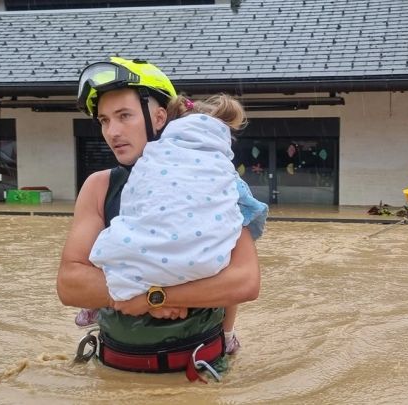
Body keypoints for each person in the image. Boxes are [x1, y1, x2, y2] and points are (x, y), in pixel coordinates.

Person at [57, 57, 260, 378]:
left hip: (200, 372)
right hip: (114, 371)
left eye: (124, 116)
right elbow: (70, 284)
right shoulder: (99, 187)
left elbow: (245, 281)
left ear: (159, 117)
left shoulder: (216, 181)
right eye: (104, 120)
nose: (113, 131)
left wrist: (154, 296)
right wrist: (153, 298)